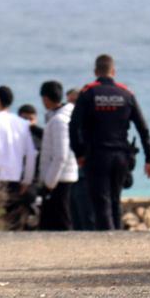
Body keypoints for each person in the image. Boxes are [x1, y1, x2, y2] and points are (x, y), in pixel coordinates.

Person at [69, 55, 150, 230]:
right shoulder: (126, 93)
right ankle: (117, 239)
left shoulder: (88, 93)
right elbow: (143, 128)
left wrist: (78, 153)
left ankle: (108, 242)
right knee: (115, 200)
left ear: (96, 72)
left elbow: (73, 127)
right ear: (113, 71)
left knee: (101, 202)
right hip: (121, 156)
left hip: (96, 155)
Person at [0, 85, 38, 230]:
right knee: (13, 225)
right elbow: (30, 154)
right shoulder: (22, 124)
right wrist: (27, 180)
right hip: (16, 181)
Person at [36, 80, 78, 231]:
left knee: (61, 221)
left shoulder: (59, 121)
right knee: (54, 221)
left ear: (45, 98)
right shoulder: (62, 117)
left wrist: (48, 183)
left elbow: (61, 155)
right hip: (62, 176)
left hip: (60, 179)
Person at [64, 87, 94, 230]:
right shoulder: (68, 121)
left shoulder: (88, 121)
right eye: (68, 102)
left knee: (86, 215)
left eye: (74, 102)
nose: (71, 106)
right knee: (75, 217)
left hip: (85, 175)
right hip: (72, 175)